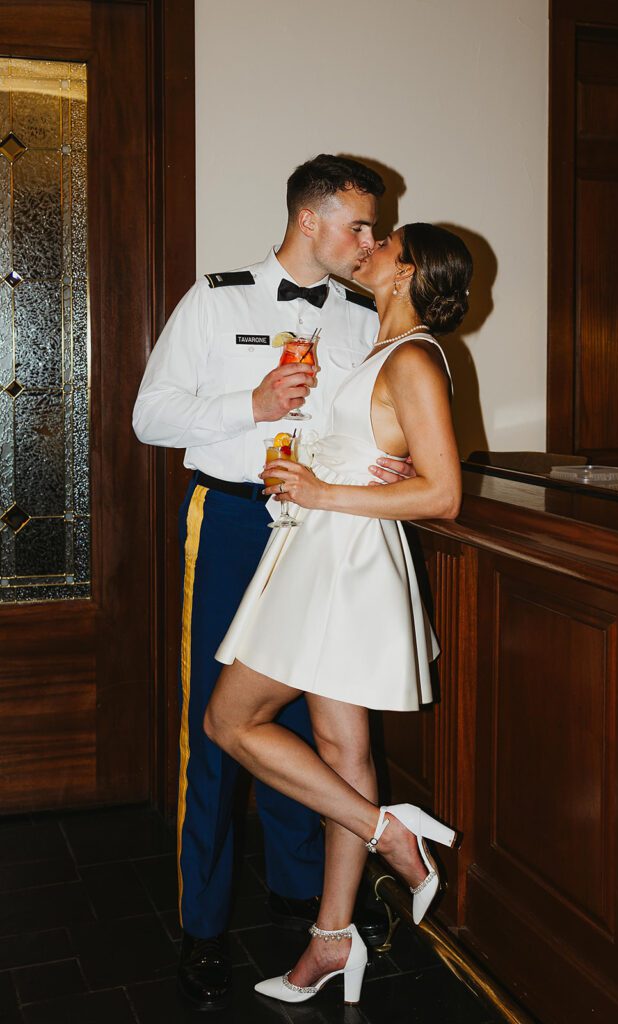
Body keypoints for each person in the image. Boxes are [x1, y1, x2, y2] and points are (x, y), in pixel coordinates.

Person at [132, 154, 416, 1011]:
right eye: (357, 226)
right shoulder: (215, 299)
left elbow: (370, 417)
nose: (368, 244)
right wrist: (245, 408)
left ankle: (303, 904)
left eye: (372, 230)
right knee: (217, 728)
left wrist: (382, 459)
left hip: (323, 531)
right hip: (228, 521)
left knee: (305, 716)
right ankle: (205, 925)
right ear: (309, 220)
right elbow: (150, 416)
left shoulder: (364, 318)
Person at [204, 222, 473, 1006]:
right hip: (322, 550)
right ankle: (331, 938)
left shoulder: (416, 356)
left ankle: (390, 832)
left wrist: (320, 490)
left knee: (229, 722)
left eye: (382, 243)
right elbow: (379, 458)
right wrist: (306, 470)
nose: (368, 247)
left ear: (406, 271)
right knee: (339, 749)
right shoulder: (384, 352)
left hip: (340, 563)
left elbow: (443, 494)